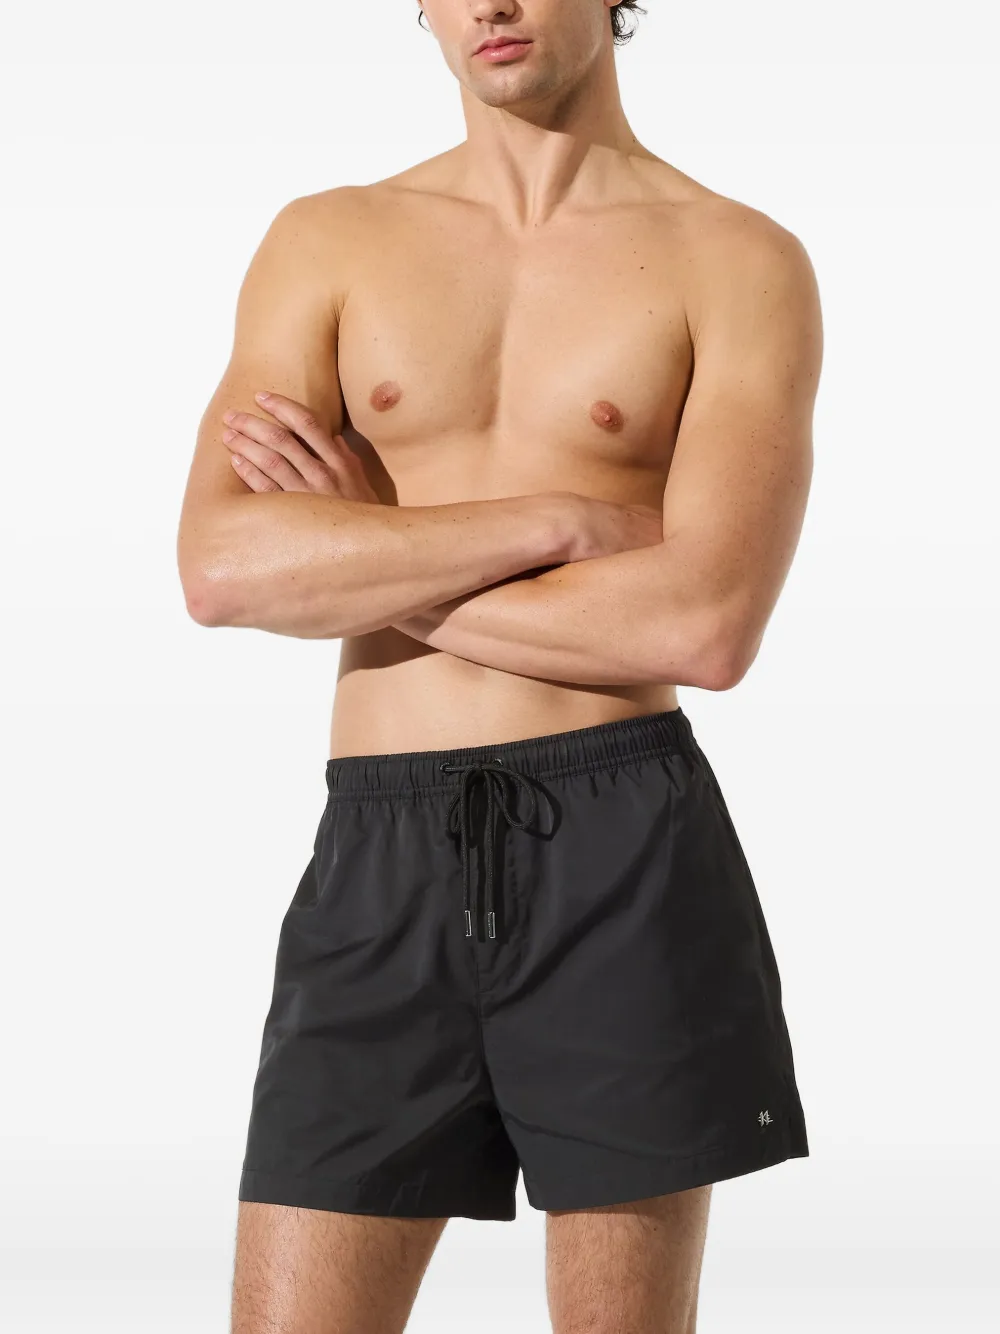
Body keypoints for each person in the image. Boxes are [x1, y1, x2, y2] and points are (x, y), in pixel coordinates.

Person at [176, 1, 822, 1329]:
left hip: (621, 846)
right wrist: (561, 522)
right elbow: (225, 569)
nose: (493, 6)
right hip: (379, 852)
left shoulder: (737, 258)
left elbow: (705, 626)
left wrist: (370, 550)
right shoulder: (329, 240)